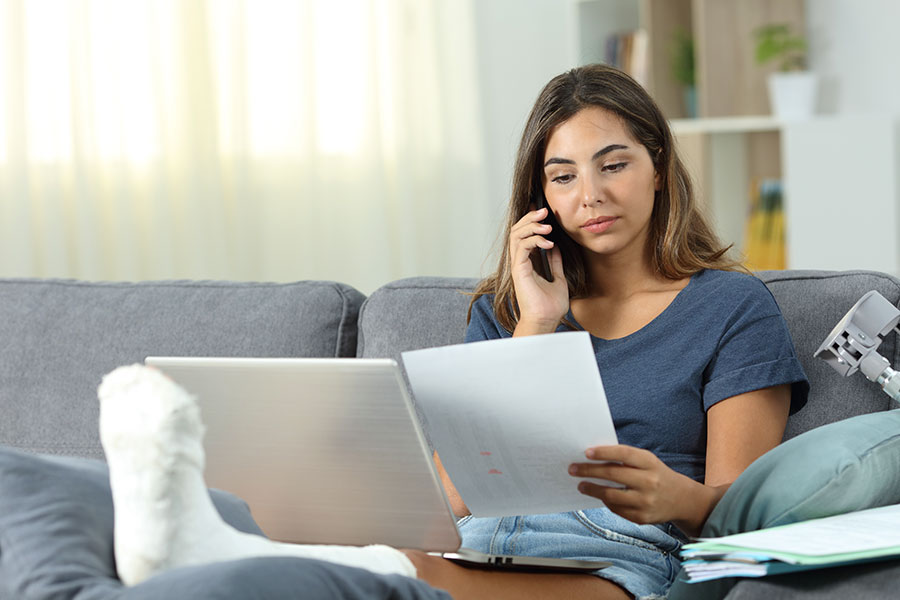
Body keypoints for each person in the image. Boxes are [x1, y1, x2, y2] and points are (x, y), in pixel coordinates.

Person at [402, 63, 809, 599]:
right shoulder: (507, 312)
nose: (589, 195)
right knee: (372, 569)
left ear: (658, 168)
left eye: (613, 165)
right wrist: (538, 323)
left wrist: (676, 496)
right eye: (564, 177)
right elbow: (450, 498)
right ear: (541, 196)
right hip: (480, 542)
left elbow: (745, 514)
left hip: (619, 554)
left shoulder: (732, 309)